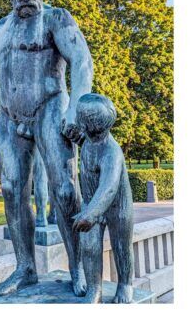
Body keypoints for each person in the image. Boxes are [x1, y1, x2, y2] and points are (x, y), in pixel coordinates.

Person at [0, 0, 92, 298]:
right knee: (10, 187)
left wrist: (76, 107)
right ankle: (25, 268)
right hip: (9, 115)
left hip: (50, 106)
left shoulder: (56, 17)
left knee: (64, 189)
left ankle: (78, 267)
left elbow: (81, 60)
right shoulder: (0, 28)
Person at [73, 93, 134, 304]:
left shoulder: (111, 153)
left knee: (121, 247)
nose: (77, 120)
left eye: (80, 117)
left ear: (90, 125)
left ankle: (125, 284)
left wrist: (90, 213)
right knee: (90, 248)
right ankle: (94, 289)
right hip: (92, 206)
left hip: (117, 208)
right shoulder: (90, 140)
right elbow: (86, 146)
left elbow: (108, 189)